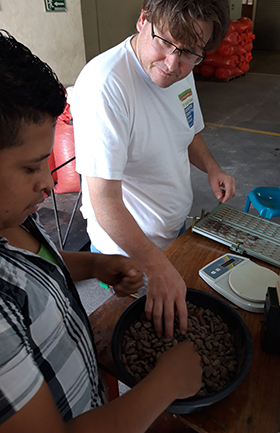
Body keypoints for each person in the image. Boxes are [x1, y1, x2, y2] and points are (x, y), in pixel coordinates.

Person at [0, 30, 202, 433]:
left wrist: (93, 263)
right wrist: (165, 384)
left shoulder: (11, 217)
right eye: (30, 167)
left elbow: (38, 270)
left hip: (88, 399)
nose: (50, 183)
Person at [72, 0, 236, 339]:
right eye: (164, 42)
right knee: (138, 340)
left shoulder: (180, 69)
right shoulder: (106, 86)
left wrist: (211, 168)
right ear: (143, 20)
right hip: (129, 255)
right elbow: (104, 200)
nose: (172, 64)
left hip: (172, 233)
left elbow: (186, 129)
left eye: (190, 53)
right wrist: (155, 266)